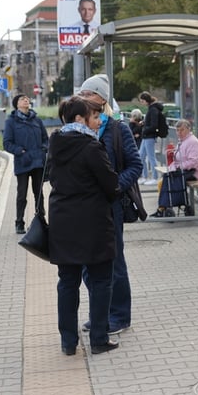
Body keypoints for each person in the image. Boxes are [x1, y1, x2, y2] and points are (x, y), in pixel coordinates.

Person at [47, 94, 120, 356]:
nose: (99, 120)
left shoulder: (55, 143)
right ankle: (99, 339)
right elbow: (111, 185)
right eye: (95, 116)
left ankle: (68, 342)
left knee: (67, 282)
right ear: (80, 118)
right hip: (93, 223)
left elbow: (50, 178)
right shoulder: (91, 147)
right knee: (101, 281)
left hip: (62, 222)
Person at [78, 74, 142, 337]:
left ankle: (119, 316)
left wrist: (115, 187)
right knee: (87, 262)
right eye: (80, 94)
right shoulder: (79, 126)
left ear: (100, 99)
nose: (81, 97)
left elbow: (135, 165)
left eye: (87, 93)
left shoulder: (117, 129)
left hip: (110, 205)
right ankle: (99, 313)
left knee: (114, 261)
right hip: (85, 206)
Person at [2, 94, 49, 234]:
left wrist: (43, 149)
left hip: (38, 162)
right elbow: (7, 143)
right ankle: (19, 222)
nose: (26, 100)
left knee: (38, 193)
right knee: (22, 194)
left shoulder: (37, 120)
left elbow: (45, 139)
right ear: (17, 104)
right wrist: (20, 151)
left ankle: (41, 219)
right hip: (23, 162)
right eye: (23, 99)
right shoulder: (11, 121)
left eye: (27, 99)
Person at [155, 118, 198, 217]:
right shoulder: (182, 141)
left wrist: (177, 167)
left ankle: (163, 207)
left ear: (188, 129)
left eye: (182, 130)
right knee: (164, 179)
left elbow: (193, 162)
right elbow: (179, 158)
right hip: (183, 170)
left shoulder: (193, 142)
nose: (179, 132)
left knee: (165, 180)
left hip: (192, 172)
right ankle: (163, 206)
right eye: (177, 130)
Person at [138, 91, 163, 185]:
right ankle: (145, 176)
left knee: (151, 157)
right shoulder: (151, 109)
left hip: (149, 136)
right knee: (141, 156)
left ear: (146, 100)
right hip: (146, 136)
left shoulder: (153, 110)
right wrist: (144, 123)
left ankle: (155, 177)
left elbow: (154, 125)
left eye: (142, 101)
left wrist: (145, 129)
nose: (141, 103)